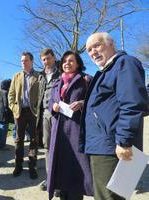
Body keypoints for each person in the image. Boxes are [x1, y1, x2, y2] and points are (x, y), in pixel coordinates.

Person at [80, 32, 149, 200]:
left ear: (111, 44)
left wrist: (124, 142)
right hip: (103, 146)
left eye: (96, 45)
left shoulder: (124, 63)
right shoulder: (107, 71)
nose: (92, 52)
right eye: (89, 50)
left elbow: (132, 103)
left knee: (108, 197)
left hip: (112, 148)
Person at [47, 51, 93, 200]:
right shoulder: (57, 82)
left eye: (71, 60)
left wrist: (82, 103)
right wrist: (53, 106)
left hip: (76, 130)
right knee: (60, 169)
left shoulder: (86, 80)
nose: (67, 63)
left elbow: (96, 101)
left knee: (76, 168)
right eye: (65, 61)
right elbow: (49, 102)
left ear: (78, 63)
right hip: (58, 132)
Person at [8, 52, 40, 179]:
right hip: (20, 112)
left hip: (33, 112)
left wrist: (38, 108)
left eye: (26, 60)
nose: (23, 62)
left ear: (31, 61)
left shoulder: (39, 76)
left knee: (33, 140)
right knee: (18, 140)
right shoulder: (16, 76)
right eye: (22, 60)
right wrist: (13, 107)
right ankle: (18, 166)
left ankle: (32, 166)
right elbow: (11, 94)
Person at [37, 48, 60, 191]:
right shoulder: (40, 76)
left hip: (59, 114)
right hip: (45, 114)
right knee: (47, 147)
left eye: (48, 58)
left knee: (59, 146)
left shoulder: (62, 71)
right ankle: (49, 178)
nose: (46, 62)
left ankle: (60, 181)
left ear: (53, 57)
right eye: (44, 60)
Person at [0, 79, 13, 149]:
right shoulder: (5, 92)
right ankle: (1, 146)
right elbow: (6, 105)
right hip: (4, 114)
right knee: (3, 131)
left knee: (0, 130)